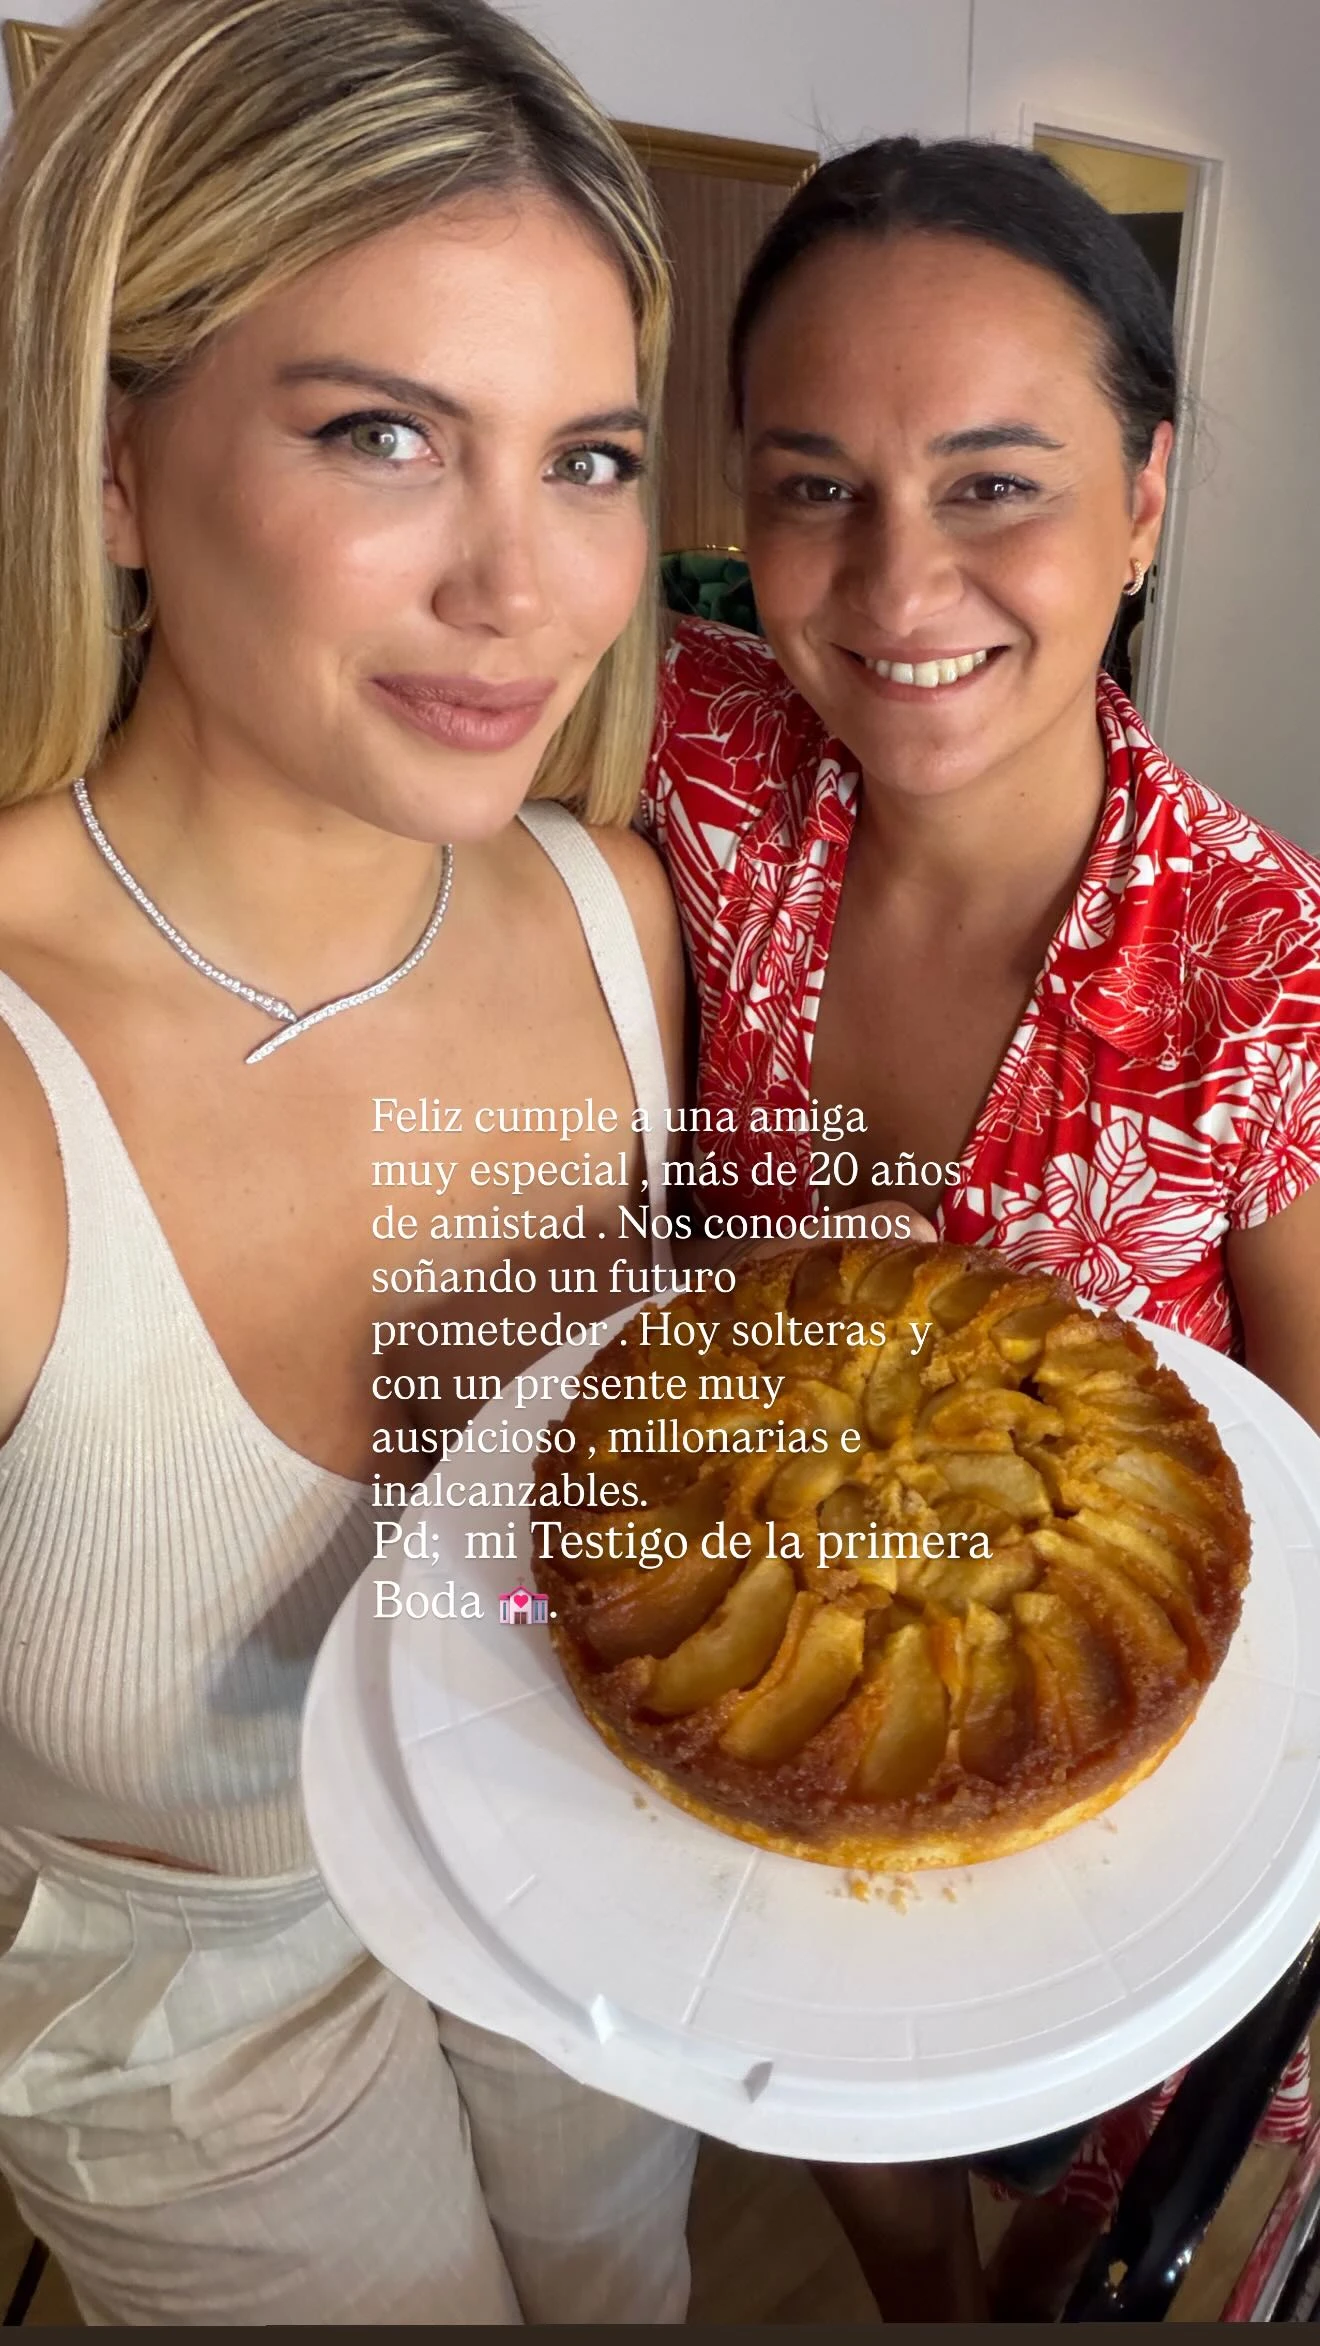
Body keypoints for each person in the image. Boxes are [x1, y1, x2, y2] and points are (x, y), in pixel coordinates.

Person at [0, 0, 699, 2323]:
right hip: (186, 2017)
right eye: (385, 434)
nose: (527, 587)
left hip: (584, 1866)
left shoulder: (614, 920)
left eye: (587, 459)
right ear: (114, 464)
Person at [643, 135, 1320, 2319]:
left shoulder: (1267, 970)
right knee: (853, 2153)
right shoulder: (696, 757)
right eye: (816, 485)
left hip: (1124, 1810)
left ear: (1147, 497)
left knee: (1088, 2243)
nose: (897, 584)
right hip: (769, 1688)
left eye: (996, 483)